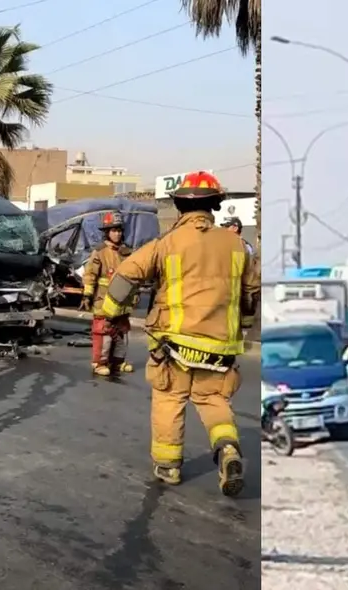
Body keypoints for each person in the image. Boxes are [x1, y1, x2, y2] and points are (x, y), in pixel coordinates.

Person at [95, 170, 258, 497]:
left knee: (170, 399)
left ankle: (168, 466)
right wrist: (242, 326)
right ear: (214, 206)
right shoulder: (238, 245)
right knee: (214, 400)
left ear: (180, 205)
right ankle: (227, 449)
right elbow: (250, 294)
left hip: (174, 343)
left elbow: (127, 276)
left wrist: (111, 312)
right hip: (219, 346)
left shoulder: (167, 243)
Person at [80, 211, 134, 377]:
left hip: (123, 302)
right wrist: (87, 295)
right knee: (104, 333)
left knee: (121, 332)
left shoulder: (126, 252)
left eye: (119, 230)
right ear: (107, 232)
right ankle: (99, 363)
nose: (117, 234)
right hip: (103, 301)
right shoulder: (100, 252)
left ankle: (117, 362)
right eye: (113, 230)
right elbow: (90, 275)